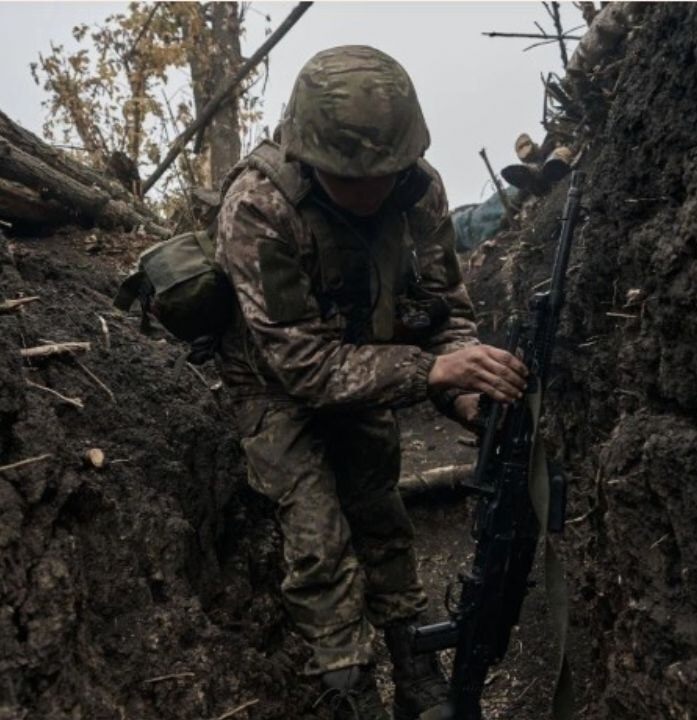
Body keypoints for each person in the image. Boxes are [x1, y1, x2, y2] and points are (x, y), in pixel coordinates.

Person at [214, 45, 528, 720]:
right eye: (350, 177)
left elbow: (447, 312)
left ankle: (417, 670)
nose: (374, 190)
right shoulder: (259, 206)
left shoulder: (419, 190)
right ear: (310, 157)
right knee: (317, 542)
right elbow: (302, 367)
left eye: (386, 171)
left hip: (367, 370)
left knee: (381, 518)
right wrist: (427, 371)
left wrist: (464, 390)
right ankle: (349, 691)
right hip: (275, 385)